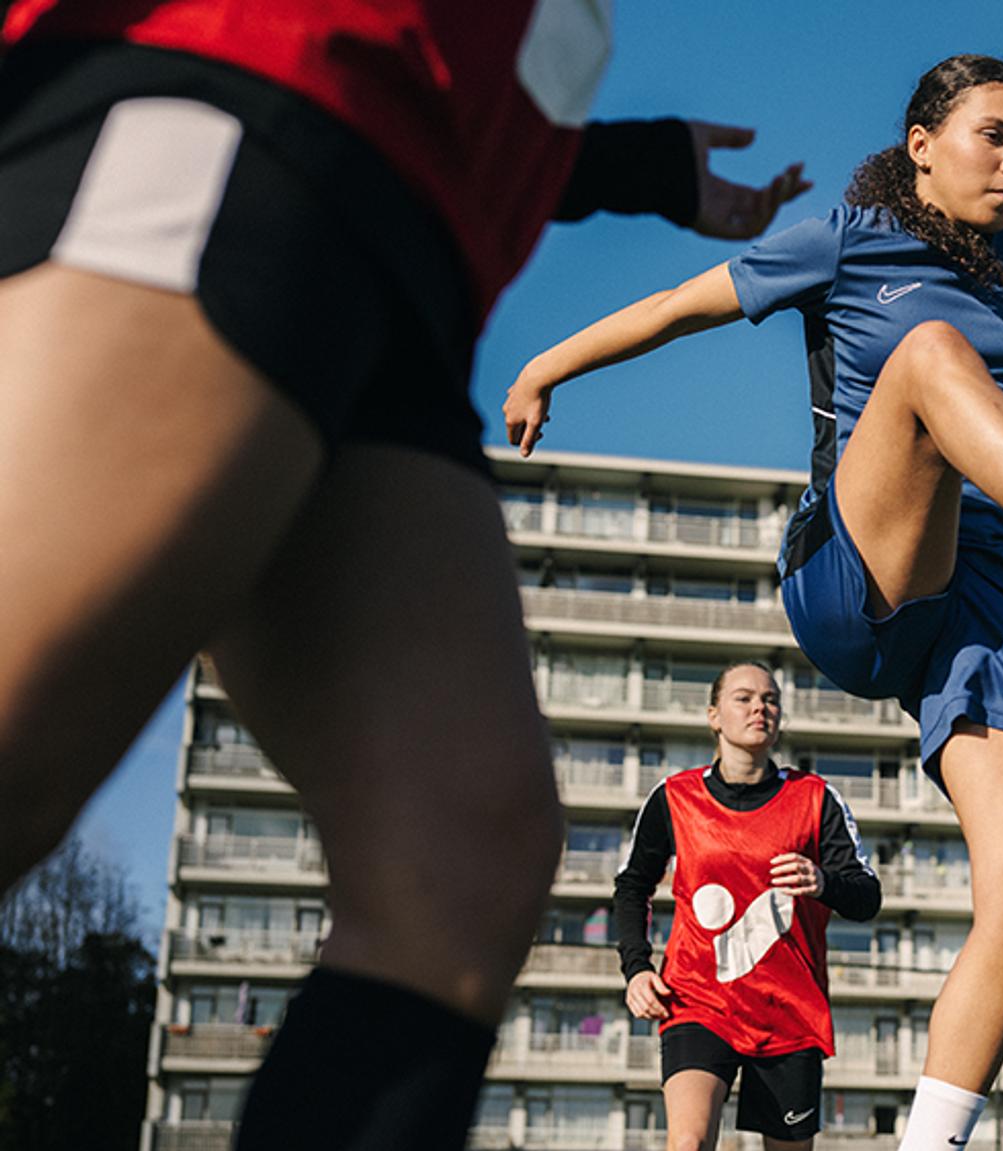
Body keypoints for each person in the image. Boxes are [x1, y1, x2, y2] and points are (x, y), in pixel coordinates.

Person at [0, 4, 808, 1147]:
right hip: (234, 108)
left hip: (403, 248)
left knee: (462, 850)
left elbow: (450, 67)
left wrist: (631, 165)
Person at [506, 53, 1003, 1148]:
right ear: (921, 142)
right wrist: (543, 368)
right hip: (855, 564)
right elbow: (675, 308)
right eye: (994, 134)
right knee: (933, 354)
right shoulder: (845, 237)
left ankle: (928, 1140)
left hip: (984, 597)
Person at [614, 660, 880, 1151]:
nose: (760, 706)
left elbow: (867, 897)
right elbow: (632, 888)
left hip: (789, 1011)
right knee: (688, 1143)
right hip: (698, 999)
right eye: (744, 697)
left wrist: (822, 881)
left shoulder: (816, 799)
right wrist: (636, 968)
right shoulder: (675, 798)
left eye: (771, 698)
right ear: (714, 715)